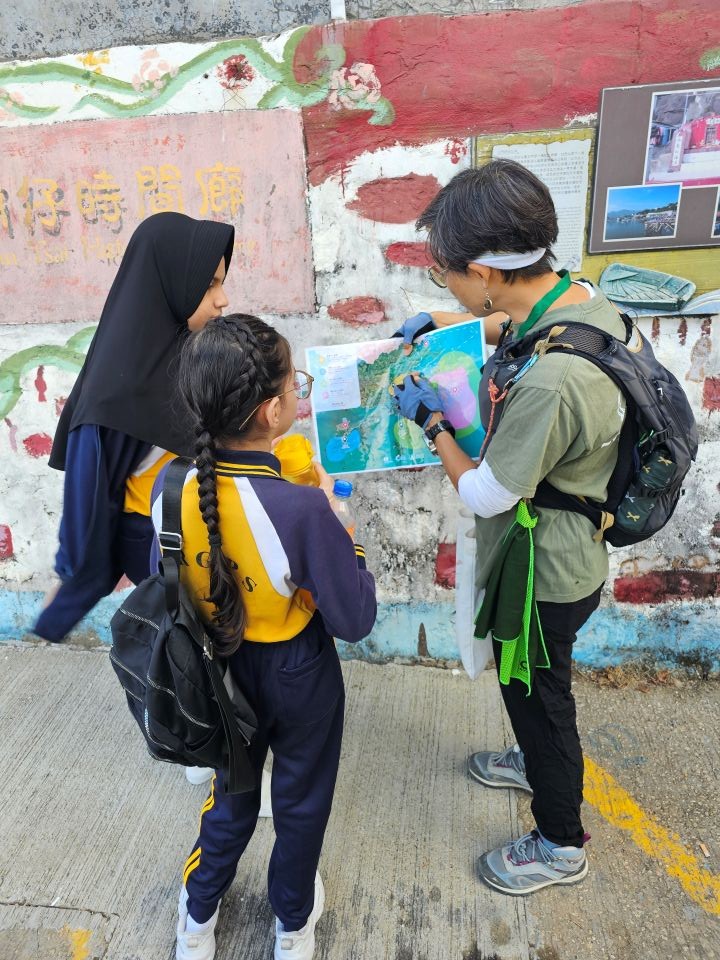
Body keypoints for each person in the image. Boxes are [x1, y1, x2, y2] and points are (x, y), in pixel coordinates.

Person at [393, 159, 627, 895]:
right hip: (568, 547)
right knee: (532, 694)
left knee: (541, 701)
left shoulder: (554, 383)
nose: (448, 290)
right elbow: (511, 322)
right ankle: (532, 760)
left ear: (486, 272)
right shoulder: (580, 298)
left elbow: (488, 492)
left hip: (543, 577)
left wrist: (433, 424)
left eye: (447, 278)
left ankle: (560, 843)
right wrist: (443, 324)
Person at [157, 314, 376, 960]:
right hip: (298, 671)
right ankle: (293, 927)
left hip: (216, 671)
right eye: (293, 384)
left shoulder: (170, 489)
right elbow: (354, 618)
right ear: (273, 411)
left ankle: (198, 919)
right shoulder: (301, 508)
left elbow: (168, 583)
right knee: (301, 805)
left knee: (231, 799)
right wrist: (343, 528)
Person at [34, 212, 234, 645]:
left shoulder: (192, 353)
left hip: (208, 537)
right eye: (210, 285)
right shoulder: (117, 386)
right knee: (191, 659)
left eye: (221, 283)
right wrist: (72, 579)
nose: (222, 300)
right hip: (159, 549)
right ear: (172, 282)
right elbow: (87, 493)